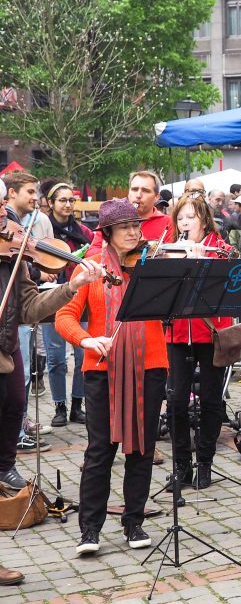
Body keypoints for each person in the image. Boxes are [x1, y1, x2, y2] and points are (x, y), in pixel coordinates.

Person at [56, 199, 167, 556]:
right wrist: (87, 339)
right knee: (100, 450)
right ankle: (90, 529)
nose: (135, 233)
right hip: (101, 370)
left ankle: (134, 521)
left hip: (150, 365)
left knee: (142, 447)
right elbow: (65, 317)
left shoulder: (151, 265)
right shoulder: (90, 270)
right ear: (107, 232)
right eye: (125, 228)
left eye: (137, 226)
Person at [0, 178, 106, 490]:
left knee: (16, 401)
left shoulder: (13, 254)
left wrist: (70, 287)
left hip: (5, 343)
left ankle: (5, 467)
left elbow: (31, 307)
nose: (2, 214)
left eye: (2, 204)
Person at [163, 193, 234, 491]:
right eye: (180, 218)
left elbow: (235, 279)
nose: (184, 223)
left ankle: (205, 461)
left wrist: (203, 261)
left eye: (190, 218)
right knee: (176, 400)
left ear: (203, 220)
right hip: (177, 333)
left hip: (211, 332)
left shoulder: (221, 250)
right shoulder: (169, 250)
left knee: (211, 399)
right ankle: (181, 465)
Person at [5, 171, 55, 452]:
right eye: (30, 192)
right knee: (19, 378)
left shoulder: (16, 224)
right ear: (11, 193)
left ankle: (18, 427)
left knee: (20, 378)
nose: (36, 199)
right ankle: (17, 431)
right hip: (12, 319)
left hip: (15, 313)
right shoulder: (11, 222)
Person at [41, 181, 93, 428]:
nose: (68, 205)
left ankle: (77, 405)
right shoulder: (42, 230)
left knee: (83, 355)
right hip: (51, 297)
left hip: (79, 295)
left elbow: (94, 255)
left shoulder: (84, 231)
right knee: (56, 357)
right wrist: (42, 272)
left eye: (71, 200)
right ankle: (59, 406)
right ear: (50, 204)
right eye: (62, 200)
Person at [88, 171, 173, 256]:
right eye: (134, 189)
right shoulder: (112, 219)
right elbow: (90, 253)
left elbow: (171, 256)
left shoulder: (168, 222)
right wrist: (114, 249)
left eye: (145, 191)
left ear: (156, 197)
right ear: (129, 193)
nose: (138, 195)